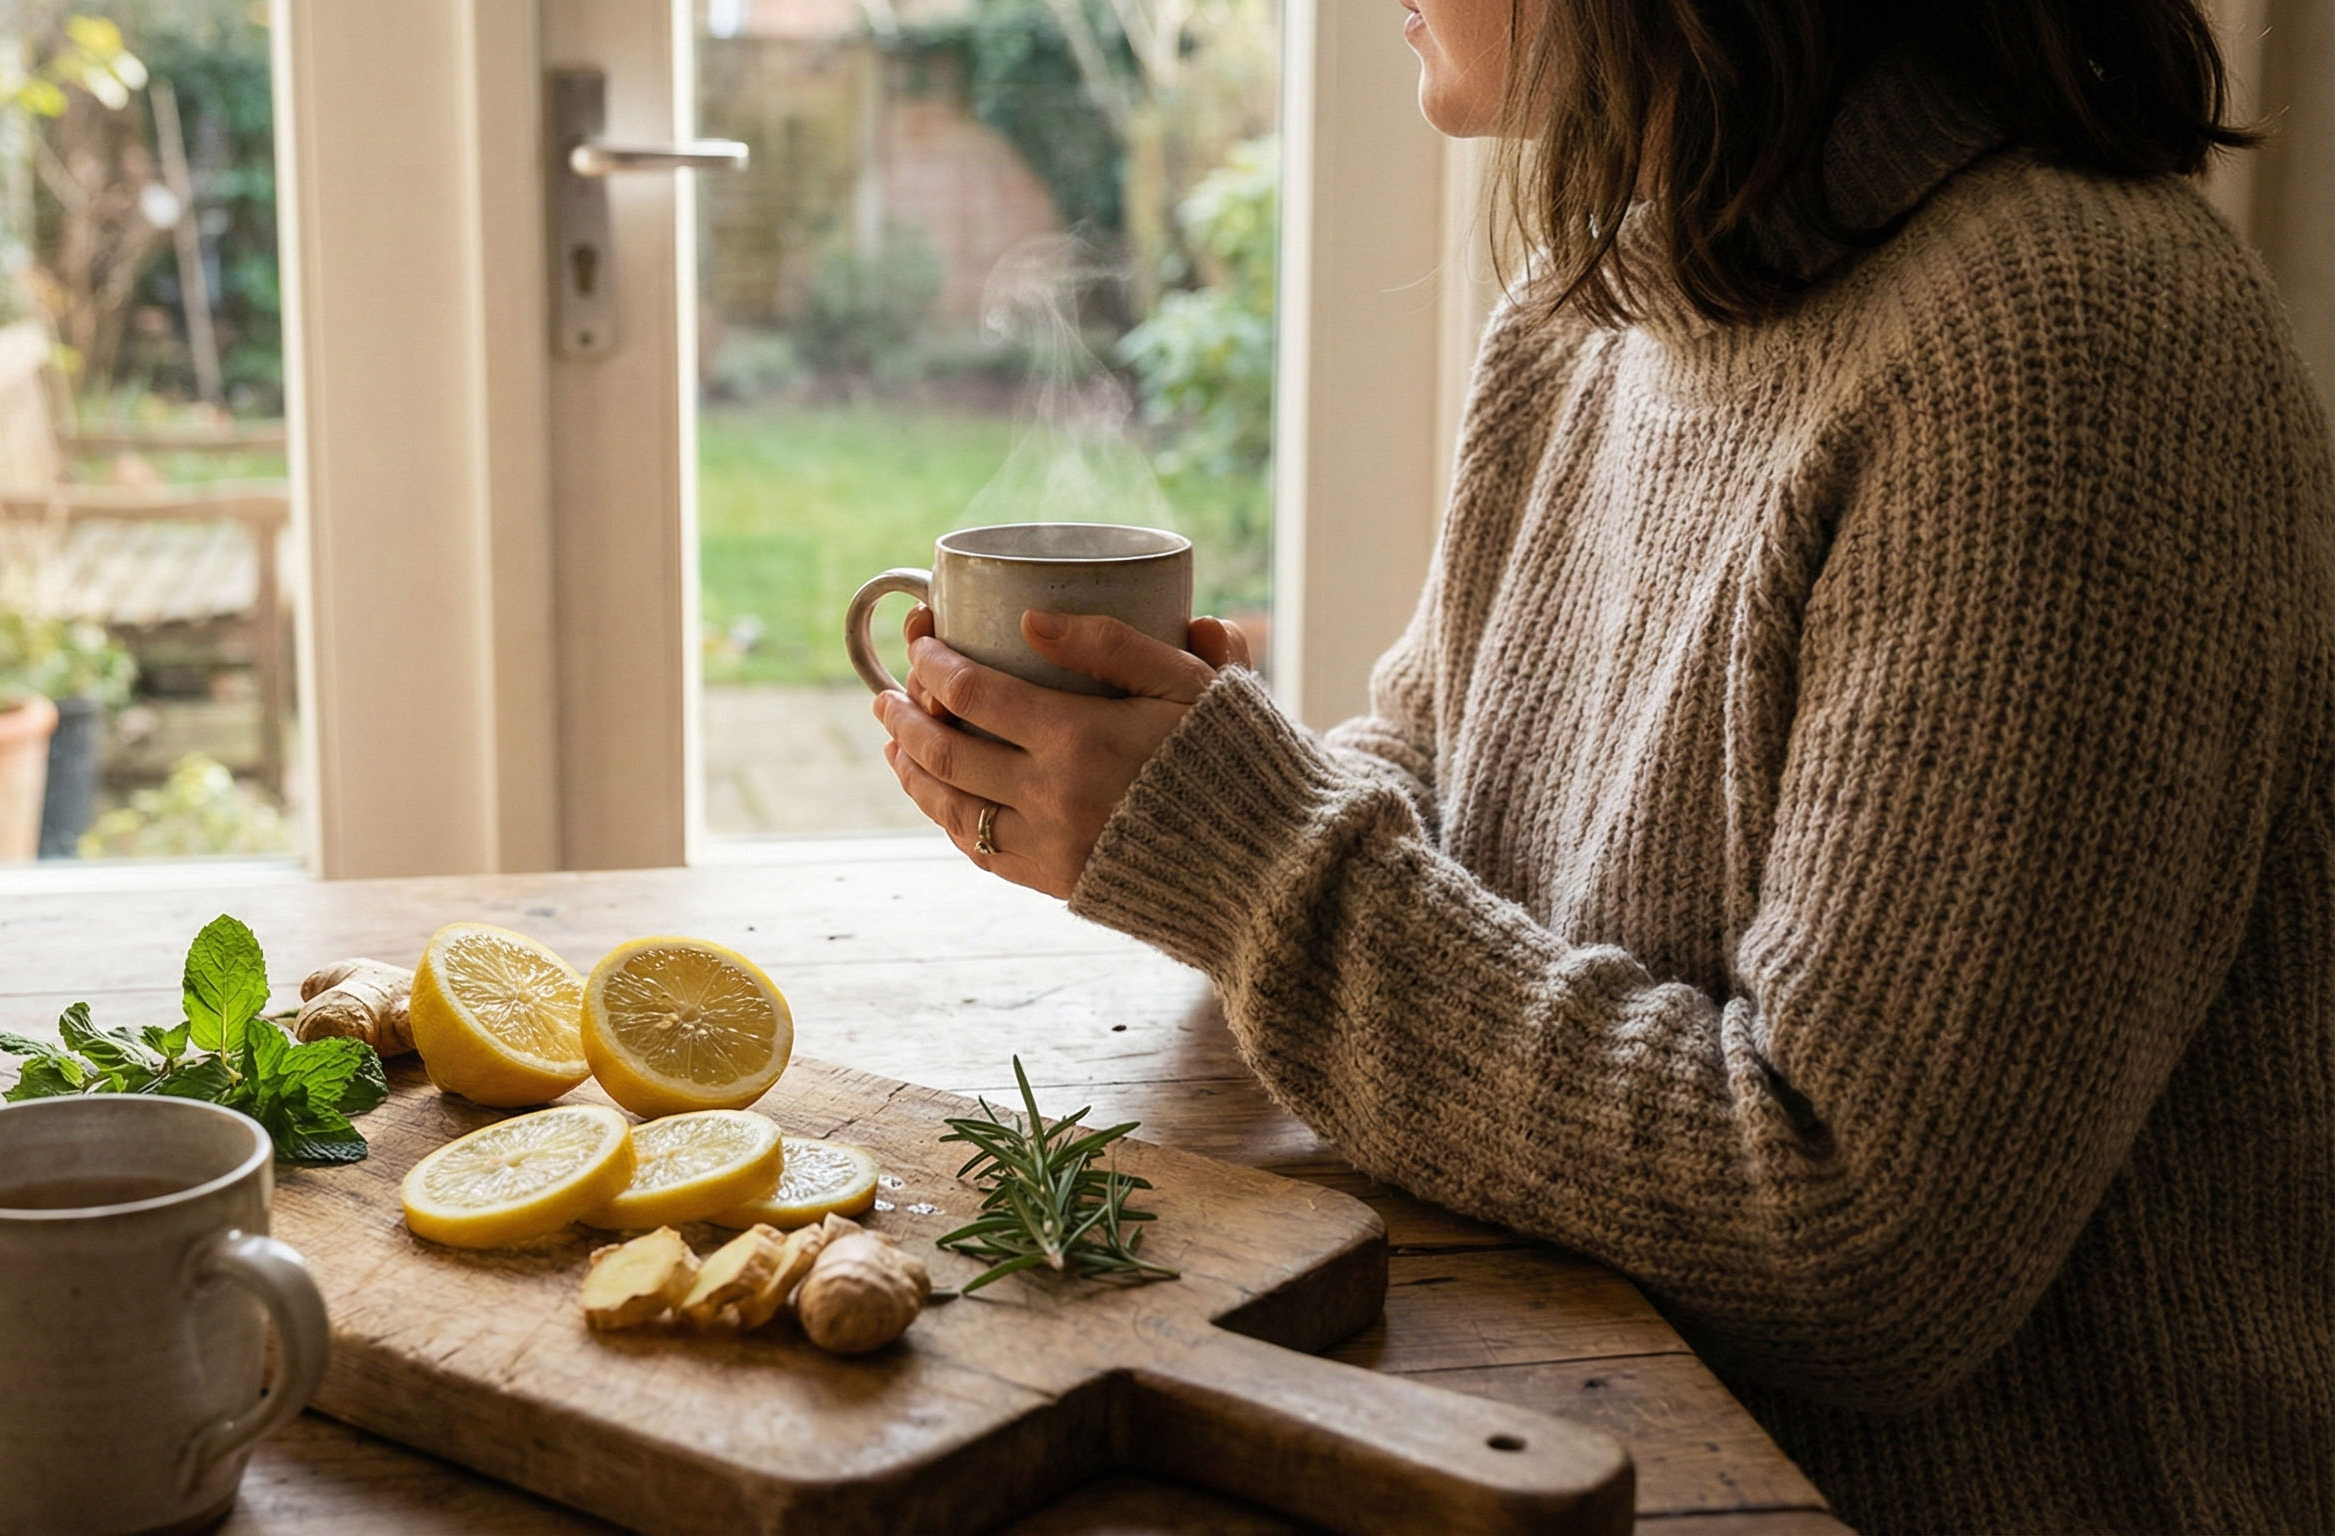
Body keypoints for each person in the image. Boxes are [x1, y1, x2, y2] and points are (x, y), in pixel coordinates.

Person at [871, 2, 2335, 1531]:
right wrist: (1201, 786)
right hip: (1568, 1424)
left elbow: (1855, 1239)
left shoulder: (2068, 347)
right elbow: (1444, 798)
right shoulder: (1592, 310)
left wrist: (1253, 866)